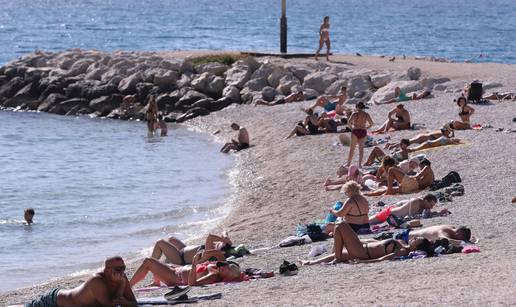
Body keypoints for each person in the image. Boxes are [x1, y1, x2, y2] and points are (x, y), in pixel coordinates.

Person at [300, 222, 433, 265]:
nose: (415, 239)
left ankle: (337, 258)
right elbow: (377, 242)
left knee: (340, 225)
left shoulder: (403, 251)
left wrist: (362, 262)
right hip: (361, 247)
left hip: (363, 253)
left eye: (417, 240)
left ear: (417, 246)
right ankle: (310, 263)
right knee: (337, 253)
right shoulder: (403, 243)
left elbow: (382, 259)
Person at [26, 256, 136, 307]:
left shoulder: (121, 276)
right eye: (117, 269)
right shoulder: (97, 281)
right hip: (54, 301)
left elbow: (133, 303)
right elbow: (113, 305)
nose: (122, 272)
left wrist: (126, 303)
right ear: (106, 270)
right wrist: (122, 285)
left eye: (123, 268)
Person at [129, 253, 243, 288]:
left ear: (226, 276)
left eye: (225, 269)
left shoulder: (212, 276)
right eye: (225, 266)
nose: (223, 267)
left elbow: (192, 283)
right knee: (158, 263)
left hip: (176, 277)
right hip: (178, 270)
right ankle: (156, 282)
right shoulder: (217, 268)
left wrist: (193, 264)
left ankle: (128, 286)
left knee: (148, 261)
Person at [151, 233, 232, 266]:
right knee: (171, 239)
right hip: (183, 250)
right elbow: (224, 232)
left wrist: (224, 240)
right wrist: (225, 238)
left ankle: (153, 266)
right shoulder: (213, 247)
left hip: (180, 259)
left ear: (220, 249)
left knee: (160, 242)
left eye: (219, 244)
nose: (217, 243)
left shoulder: (209, 251)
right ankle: (168, 261)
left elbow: (210, 237)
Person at [366, 158, 434, 196]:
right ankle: (368, 194)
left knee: (391, 169)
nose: (420, 168)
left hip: (412, 184)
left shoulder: (427, 167)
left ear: (424, 164)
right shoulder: (430, 176)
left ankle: (388, 191)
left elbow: (417, 177)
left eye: (420, 166)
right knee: (386, 190)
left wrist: (410, 176)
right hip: (411, 188)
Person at [369, 194, 448, 225]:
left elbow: (427, 214)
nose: (431, 207)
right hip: (388, 213)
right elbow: (412, 217)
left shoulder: (424, 206)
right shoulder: (416, 202)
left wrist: (439, 213)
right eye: (431, 205)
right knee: (366, 222)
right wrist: (435, 214)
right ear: (426, 201)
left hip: (392, 215)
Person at [385, 124, 454, 150]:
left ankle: (393, 144)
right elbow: (448, 138)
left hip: (423, 136)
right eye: (448, 131)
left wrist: (452, 133)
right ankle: (393, 146)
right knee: (409, 142)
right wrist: (452, 132)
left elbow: (449, 137)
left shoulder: (440, 131)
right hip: (423, 137)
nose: (449, 133)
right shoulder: (441, 134)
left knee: (409, 141)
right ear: (446, 131)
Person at [346, 102, 374, 168]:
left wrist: (352, 128)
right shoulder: (366, 114)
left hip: (355, 131)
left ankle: (348, 164)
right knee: (361, 149)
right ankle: (359, 164)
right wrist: (366, 128)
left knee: (352, 149)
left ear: (357, 107)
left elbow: (349, 122)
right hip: (363, 131)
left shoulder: (354, 114)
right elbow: (371, 123)